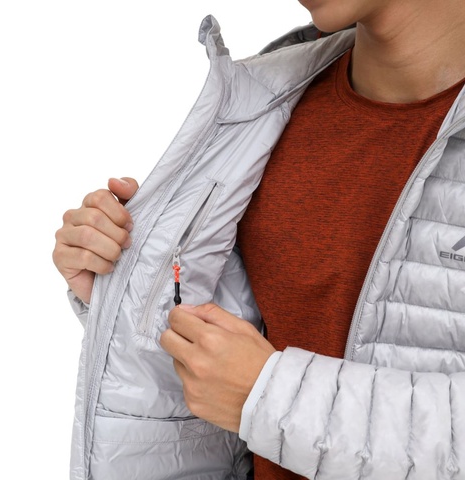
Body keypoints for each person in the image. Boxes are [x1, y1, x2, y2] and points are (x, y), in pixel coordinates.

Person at [53, 0, 465, 479]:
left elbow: (253, 388)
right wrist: (128, 284)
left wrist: (271, 398)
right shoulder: (262, 102)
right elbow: (222, 384)